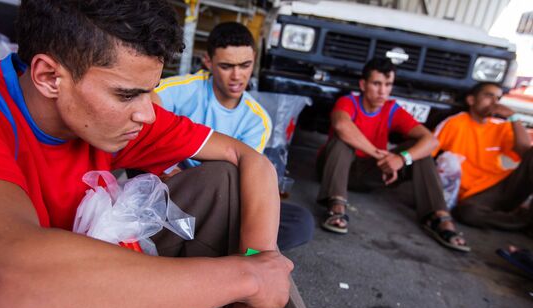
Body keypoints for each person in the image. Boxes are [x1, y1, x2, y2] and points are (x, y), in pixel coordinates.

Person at [0, 1, 295, 308]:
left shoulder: (111, 117)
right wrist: (249, 280)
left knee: (224, 183)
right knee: (7, 288)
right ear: (48, 76)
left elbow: (250, 158)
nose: (147, 113)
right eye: (127, 94)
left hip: (71, 267)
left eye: (149, 91)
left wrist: (258, 267)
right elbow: (8, 290)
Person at [153, 22, 315, 252]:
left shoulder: (257, 120)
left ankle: (218, 242)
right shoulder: (184, 90)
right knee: (226, 173)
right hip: (168, 184)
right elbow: (144, 112)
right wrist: (167, 166)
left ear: (255, 60)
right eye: (227, 66)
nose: (237, 76)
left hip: (218, 195)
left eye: (245, 65)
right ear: (208, 62)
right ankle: (223, 249)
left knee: (300, 222)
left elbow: (243, 179)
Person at [316, 57, 470, 252]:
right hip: (334, 169)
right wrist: (379, 154)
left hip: (368, 173)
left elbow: (431, 140)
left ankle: (438, 217)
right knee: (342, 140)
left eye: (388, 85)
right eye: (376, 84)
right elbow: (341, 125)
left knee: (418, 148)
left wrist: (401, 158)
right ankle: (336, 206)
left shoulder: (391, 109)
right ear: (363, 84)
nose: (383, 91)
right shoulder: (348, 102)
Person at [434, 82, 532, 230]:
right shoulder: (455, 123)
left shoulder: (501, 125)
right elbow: (428, 152)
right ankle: (523, 221)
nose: (494, 102)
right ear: (471, 100)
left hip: (502, 185)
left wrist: (514, 118)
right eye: (489, 96)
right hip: (474, 196)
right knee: (467, 213)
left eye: (498, 98)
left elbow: (525, 153)